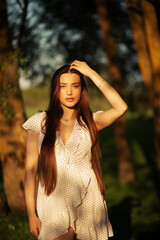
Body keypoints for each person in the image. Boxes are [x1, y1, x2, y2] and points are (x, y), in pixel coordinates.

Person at [22, 60, 128, 240]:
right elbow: (30, 171)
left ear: (82, 89)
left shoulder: (90, 122)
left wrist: (91, 73)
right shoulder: (39, 122)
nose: (69, 92)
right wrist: (31, 215)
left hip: (88, 197)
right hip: (52, 197)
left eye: (75, 85)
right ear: (56, 90)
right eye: (63, 86)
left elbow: (121, 107)